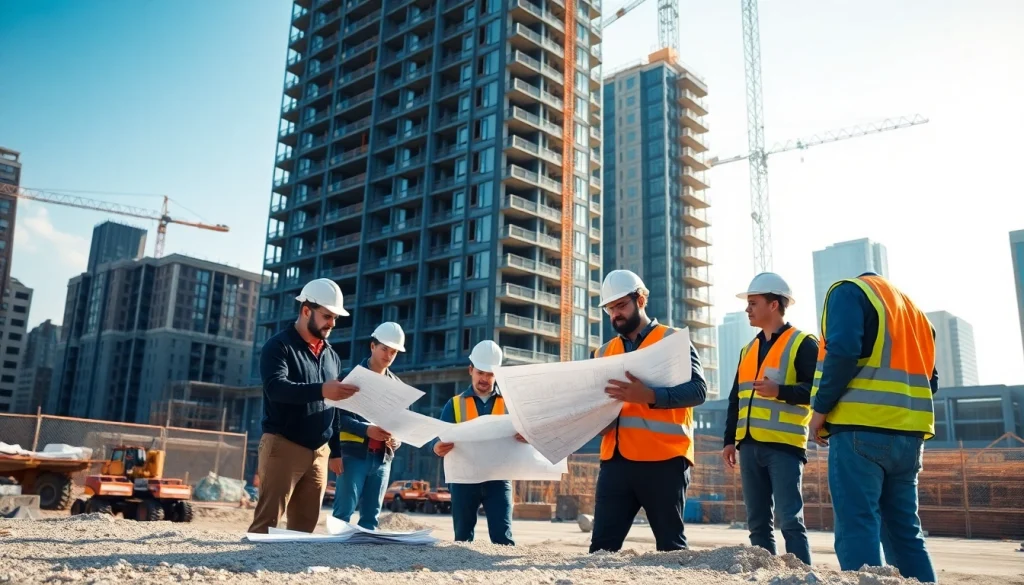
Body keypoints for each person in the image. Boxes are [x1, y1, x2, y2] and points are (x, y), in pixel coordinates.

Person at [809, 272, 939, 582]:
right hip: (910, 436)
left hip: (860, 431)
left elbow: (842, 353)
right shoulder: (917, 315)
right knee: (905, 532)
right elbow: (931, 381)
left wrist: (819, 411)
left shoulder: (848, 291)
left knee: (858, 524)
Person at [589, 269, 707, 553]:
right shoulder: (602, 353)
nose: (615, 314)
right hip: (615, 461)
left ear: (640, 299)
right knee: (601, 550)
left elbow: (698, 391)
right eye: (610, 308)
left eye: (621, 305)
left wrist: (650, 396)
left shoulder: (673, 341)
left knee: (671, 549)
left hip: (664, 460)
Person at [248, 278, 358, 534]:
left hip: (320, 453)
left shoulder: (331, 356)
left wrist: (336, 450)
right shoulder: (278, 346)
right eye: (326, 316)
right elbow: (276, 389)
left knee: (304, 530)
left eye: (334, 318)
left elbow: (335, 407)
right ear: (306, 310)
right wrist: (322, 389)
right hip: (283, 445)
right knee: (267, 524)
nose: (332, 323)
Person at [723, 272, 818, 565]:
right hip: (749, 446)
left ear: (774, 305)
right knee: (758, 524)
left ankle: (802, 577)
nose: (747, 309)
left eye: (753, 303)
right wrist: (729, 440)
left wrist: (781, 391)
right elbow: (736, 398)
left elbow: (818, 390)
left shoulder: (802, 343)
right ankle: (766, 574)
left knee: (790, 520)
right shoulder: (747, 349)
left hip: (784, 446)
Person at [432, 340, 524, 545]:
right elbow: (438, 437)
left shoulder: (511, 403)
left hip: (499, 478)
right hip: (464, 479)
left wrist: (526, 438)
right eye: (481, 372)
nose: (485, 378)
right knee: (462, 538)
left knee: (503, 538)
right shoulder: (454, 404)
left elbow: (527, 435)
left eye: (490, 374)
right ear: (471, 370)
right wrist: (437, 447)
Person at [332, 321, 405, 530]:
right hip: (353, 456)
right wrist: (366, 429)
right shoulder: (349, 377)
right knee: (342, 514)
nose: (388, 355)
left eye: (393, 352)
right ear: (372, 346)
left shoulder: (397, 385)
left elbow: (399, 423)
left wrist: (396, 439)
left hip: (382, 459)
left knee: (371, 519)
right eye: (384, 349)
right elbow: (336, 417)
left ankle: (362, 562)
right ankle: (331, 556)